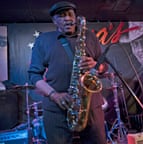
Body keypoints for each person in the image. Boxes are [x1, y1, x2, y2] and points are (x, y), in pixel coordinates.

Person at [28, 1, 108, 144]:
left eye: (70, 14)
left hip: (91, 108)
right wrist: (54, 95)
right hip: (57, 109)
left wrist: (96, 65)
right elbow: (34, 76)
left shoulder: (89, 36)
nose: (67, 18)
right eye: (61, 16)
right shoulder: (43, 40)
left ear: (76, 18)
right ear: (54, 21)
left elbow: (103, 67)